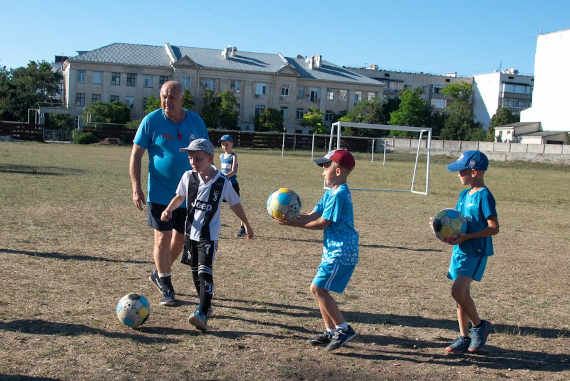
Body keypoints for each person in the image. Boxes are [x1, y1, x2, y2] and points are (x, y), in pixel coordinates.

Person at [129, 80, 209, 307]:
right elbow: (136, 156)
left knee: (181, 240)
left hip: (188, 193)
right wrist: (136, 187)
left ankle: (159, 271)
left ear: (182, 98)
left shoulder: (195, 121)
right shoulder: (151, 121)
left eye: (172, 97)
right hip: (160, 193)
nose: (167, 101)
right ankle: (166, 284)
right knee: (162, 238)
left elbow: (205, 153)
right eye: (164, 96)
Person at [160, 138, 253, 331]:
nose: (193, 162)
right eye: (190, 157)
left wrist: (246, 224)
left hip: (208, 235)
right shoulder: (188, 176)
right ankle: (206, 306)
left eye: (198, 158)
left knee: (204, 271)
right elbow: (180, 196)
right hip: (190, 232)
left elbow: (235, 203)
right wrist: (169, 209)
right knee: (195, 271)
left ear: (210, 158)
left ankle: (202, 313)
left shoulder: (222, 182)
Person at [277, 149, 359, 351]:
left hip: (342, 251)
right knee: (319, 290)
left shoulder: (339, 194)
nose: (322, 171)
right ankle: (330, 331)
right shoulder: (330, 192)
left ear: (338, 171)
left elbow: (323, 223)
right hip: (332, 251)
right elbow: (312, 214)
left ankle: (343, 328)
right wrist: (291, 217)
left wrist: (293, 225)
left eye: (325, 166)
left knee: (317, 289)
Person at [443, 150, 499, 354]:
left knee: (457, 291)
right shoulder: (464, 194)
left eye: (461, 171)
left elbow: (494, 227)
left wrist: (468, 237)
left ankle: (479, 325)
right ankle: (464, 337)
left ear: (474, 172)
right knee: (461, 295)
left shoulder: (484, 196)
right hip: (461, 250)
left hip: (475, 250)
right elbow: (459, 222)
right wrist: (443, 228)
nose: (458, 174)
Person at [218, 134, 246, 237]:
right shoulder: (221, 156)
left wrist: (224, 177)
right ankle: (214, 227)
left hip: (232, 185)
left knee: (237, 207)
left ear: (231, 144)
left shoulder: (233, 156)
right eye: (222, 143)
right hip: (223, 184)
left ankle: (243, 228)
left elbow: (234, 171)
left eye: (226, 143)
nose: (224, 145)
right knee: (215, 204)